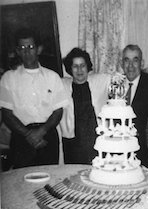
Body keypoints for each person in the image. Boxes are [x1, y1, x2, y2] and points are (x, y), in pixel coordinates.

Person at [0, 27, 68, 168]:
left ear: (39, 49)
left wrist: (41, 132)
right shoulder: (8, 78)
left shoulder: (52, 77)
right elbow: (7, 114)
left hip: (47, 135)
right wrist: (28, 135)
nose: (26, 51)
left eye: (31, 47)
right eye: (22, 47)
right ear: (17, 50)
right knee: (22, 181)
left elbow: (58, 111)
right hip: (20, 137)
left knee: (48, 180)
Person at [60, 48, 112, 164]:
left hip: (99, 140)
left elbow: (123, 78)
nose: (79, 70)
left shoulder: (101, 80)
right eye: (75, 66)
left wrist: (144, 72)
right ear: (70, 68)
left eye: (82, 65)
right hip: (73, 144)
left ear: (88, 66)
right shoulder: (61, 84)